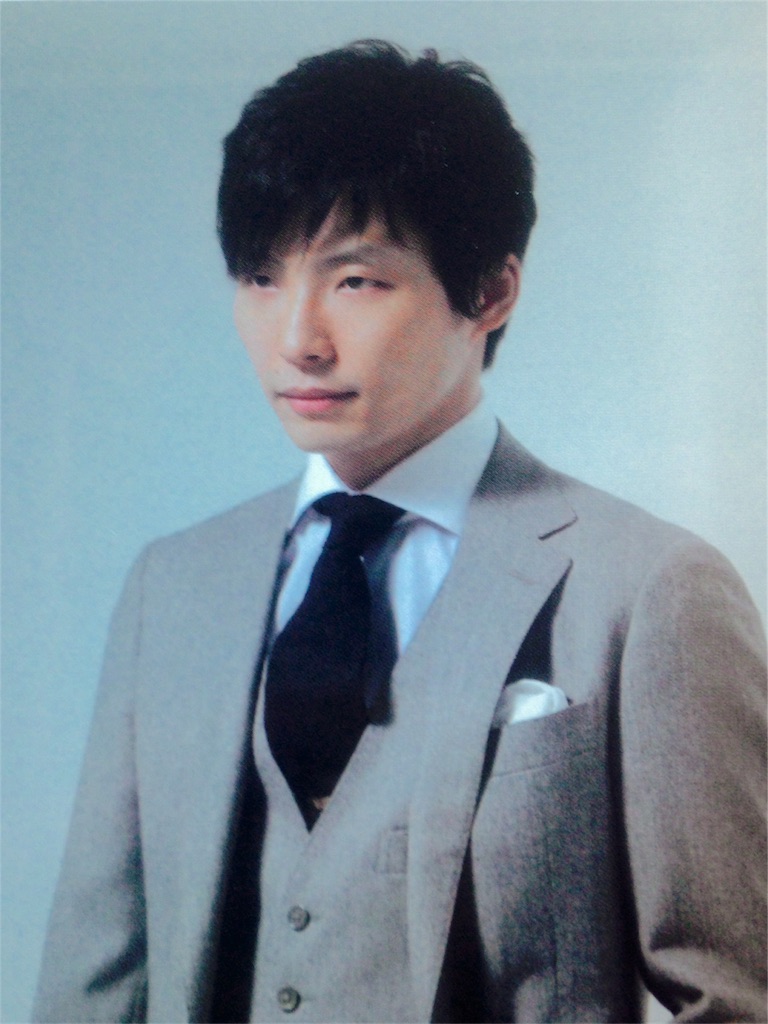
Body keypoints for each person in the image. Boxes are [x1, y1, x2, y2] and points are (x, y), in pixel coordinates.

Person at [33, 40, 766, 1024]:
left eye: (356, 282)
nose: (297, 339)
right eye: (260, 277)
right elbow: (92, 984)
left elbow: (736, 1001)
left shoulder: (651, 588)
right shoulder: (173, 585)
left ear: (490, 292)